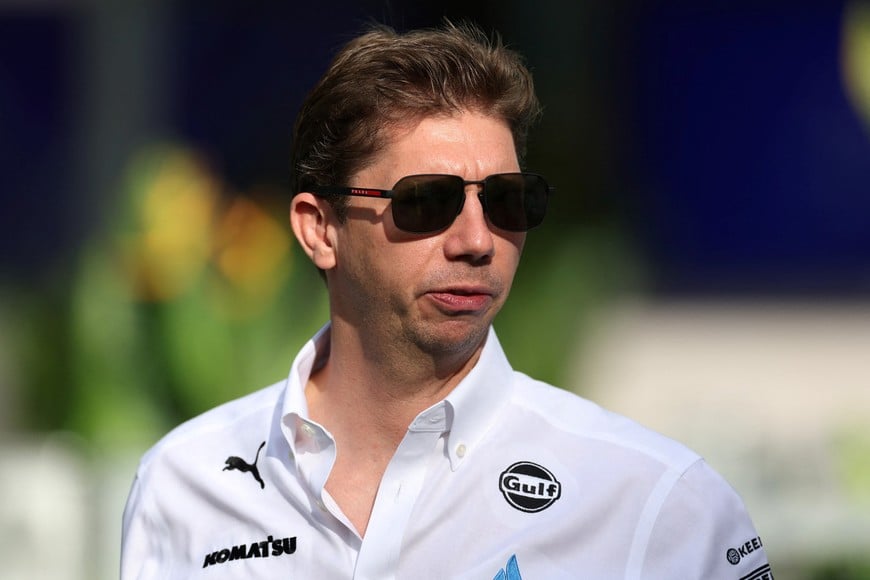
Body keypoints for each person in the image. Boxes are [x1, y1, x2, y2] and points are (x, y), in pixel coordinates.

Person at [121, 22, 773, 579]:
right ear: (320, 230)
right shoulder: (184, 483)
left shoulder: (660, 500)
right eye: (426, 202)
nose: (476, 239)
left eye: (507, 201)